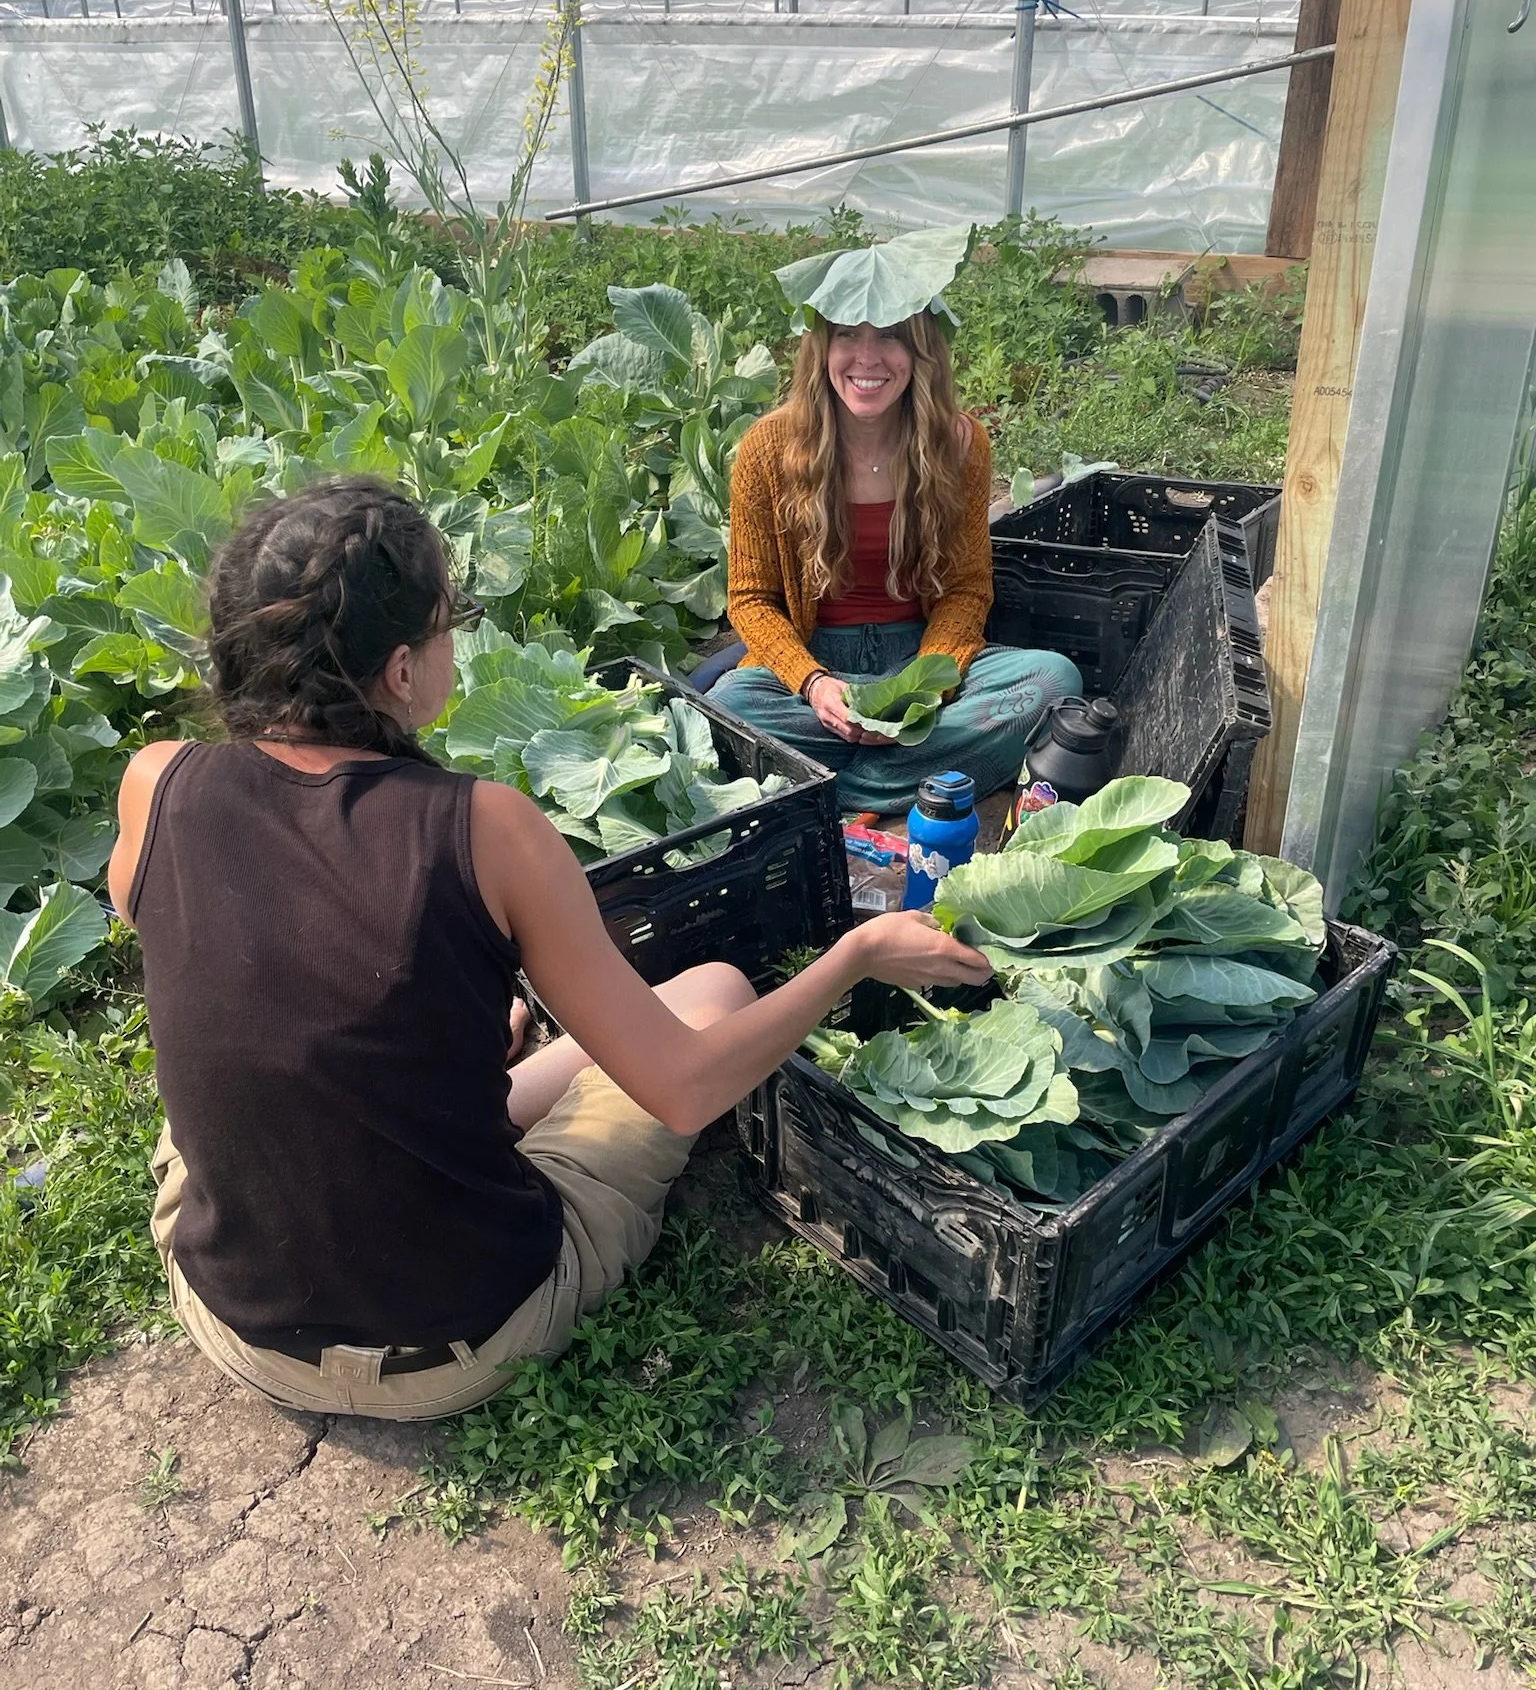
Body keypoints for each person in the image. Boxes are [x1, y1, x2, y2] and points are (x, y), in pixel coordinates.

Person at [107, 477, 992, 1422]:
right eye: (455, 620)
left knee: (246, 1093)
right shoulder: (486, 829)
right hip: (454, 1345)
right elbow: (686, 1087)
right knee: (714, 993)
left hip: (231, 1311)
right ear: (401, 673)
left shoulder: (158, 782)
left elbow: (212, 946)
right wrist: (854, 956)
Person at [709, 228, 1083, 814]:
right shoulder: (768, 448)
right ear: (821, 348)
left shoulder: (959, 445)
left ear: (920, 351)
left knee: (1053, 682)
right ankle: (914, 777)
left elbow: (964, 589)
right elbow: (751, 600)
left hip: (921, 654)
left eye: (889, 336)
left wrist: (927, 686)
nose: (867, 358)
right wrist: (813, 684)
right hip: (816, 660)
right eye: (847, 337)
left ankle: (825, 784)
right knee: (728, 705)